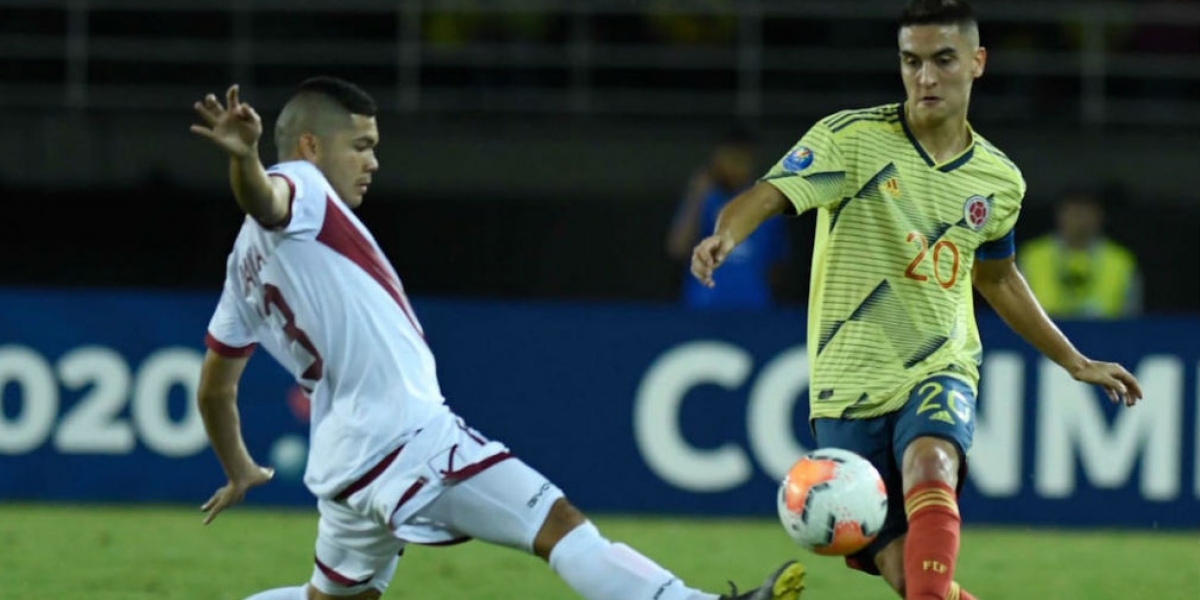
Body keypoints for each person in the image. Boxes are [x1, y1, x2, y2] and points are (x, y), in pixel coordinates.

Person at [189, 77, 804, 600]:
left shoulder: (240, 267)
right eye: (362, 146)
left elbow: (215, 390)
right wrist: (243, 160)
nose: (373, 161)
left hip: (345, 462)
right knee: (559, 526)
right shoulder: (300, 186)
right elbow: (267, 200)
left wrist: (238, 467)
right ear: (310, 146)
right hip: (408, 438)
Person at [689, 2, 1144, 599]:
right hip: (847, 381)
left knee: (932, 464)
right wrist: (728, 232)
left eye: (942, 60)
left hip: (940, 364)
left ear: (977, 63)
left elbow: (998, 277)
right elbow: (769, 195)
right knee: (914, 579)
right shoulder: (849, 140)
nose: (925, 77)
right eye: (912, 62)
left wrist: (1074, 361)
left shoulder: (998, 180)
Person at [667, 129, 790, 310]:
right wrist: (696, 198)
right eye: (729, 158)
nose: (734, 166)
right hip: (703, 307)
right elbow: (677, 249)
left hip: (755, 308)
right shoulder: (704, 199)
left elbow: (778, 262)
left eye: (741, 160)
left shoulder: (764, 204)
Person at [1018, 189, 1141, 319]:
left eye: (1087, 213)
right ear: (1060, 215)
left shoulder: (1120, 261)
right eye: (1074, 212)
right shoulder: (1032, 256)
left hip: (1105, 336)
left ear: (1100, 216)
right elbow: (1018, 309)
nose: (1080, 220)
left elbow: (1133, 316)